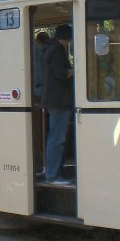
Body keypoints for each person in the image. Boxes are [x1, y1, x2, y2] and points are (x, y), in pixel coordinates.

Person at [42, 24, 73, 184]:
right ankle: (53, 175)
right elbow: (61, 74)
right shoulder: (57, 50)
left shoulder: (50, 48)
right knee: (57, 139)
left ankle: (54, 173)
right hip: (59, 101)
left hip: (54, 100)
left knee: (55, 138)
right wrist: (75, 70)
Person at [33, 31, 50, 99]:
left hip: (34, 88)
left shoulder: (31, 48)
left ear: (37, 40)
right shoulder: (49, 51)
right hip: (45, 88)